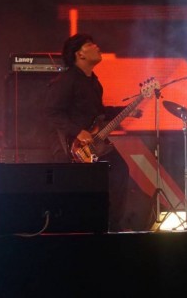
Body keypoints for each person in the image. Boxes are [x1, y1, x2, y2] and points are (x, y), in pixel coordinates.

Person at [42, 33, 133, 231]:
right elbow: (51, 112)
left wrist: (126, 111)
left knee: (119, 171)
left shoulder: (94, 82)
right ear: (79, 54)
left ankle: (111, 226)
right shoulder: (67, 80)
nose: (97, 47)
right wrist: (77, 131)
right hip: (71, 147)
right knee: (84, 188)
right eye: (90, 45)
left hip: (93, 144)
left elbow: (99, 113)